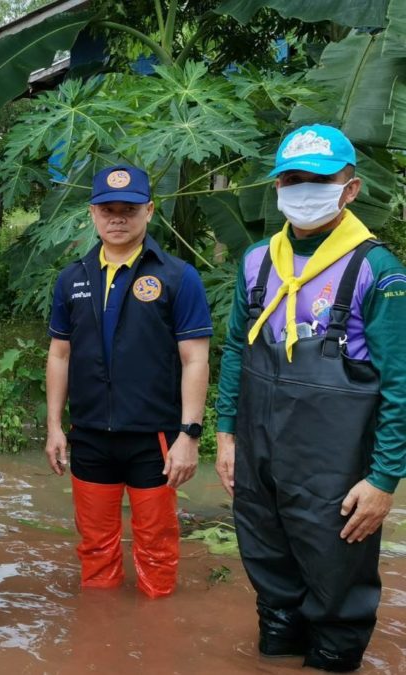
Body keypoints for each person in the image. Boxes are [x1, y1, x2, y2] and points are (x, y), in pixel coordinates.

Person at [215, 125, 406, 671]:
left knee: (336, 585)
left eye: (318, 179)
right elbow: (235, 349)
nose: (303, 190)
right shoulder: (256, 262)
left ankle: (334, 654)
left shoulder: (378, 271)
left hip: (337, 469)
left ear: (349, 188)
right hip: (259, 454)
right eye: (292, 179)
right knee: (268, 572)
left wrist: (384, 480)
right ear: (277, 188)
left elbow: (401, 384)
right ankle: (276, 649)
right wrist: (226, 435)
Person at [45, 165, 212, 599]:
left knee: (156, 548)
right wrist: (54, 427)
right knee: (95, 548)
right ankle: (102, 641)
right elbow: (59, 354)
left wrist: (188, 434)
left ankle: (157, 641)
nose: (118, 217)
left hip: (153, 438)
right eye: (108, 209)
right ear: (93, 213)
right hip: (90, 436)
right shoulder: (72, 278)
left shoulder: (178, 276)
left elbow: (195, 359)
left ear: (149, 211)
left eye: (129, 209)